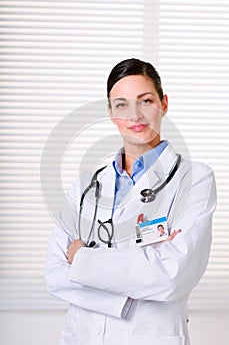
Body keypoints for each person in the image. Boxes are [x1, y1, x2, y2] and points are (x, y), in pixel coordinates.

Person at [45, 58, 217, 345]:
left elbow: (172, 276)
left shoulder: (194, 179)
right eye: (122, 104)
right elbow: (55, 275)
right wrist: (136, 278)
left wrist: (81, 259)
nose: (135, 115)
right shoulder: (85, 186)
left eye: (145, 100)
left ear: (164, 104)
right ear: (111, 112)